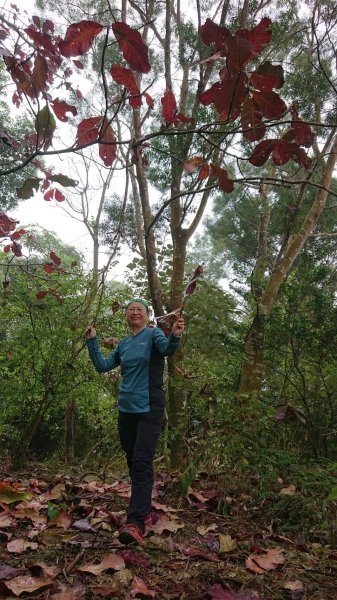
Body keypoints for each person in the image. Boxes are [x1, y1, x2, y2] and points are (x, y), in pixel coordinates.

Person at [85, 298, 184, 545]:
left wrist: (174, 335)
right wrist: (92, 340)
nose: (135, 312)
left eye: (139, 309)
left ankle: (136, 522)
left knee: (141, 461)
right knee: (134, 461)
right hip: (126, 410)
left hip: (150, 407)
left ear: (148, 315)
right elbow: (102, 366)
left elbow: (168, 350)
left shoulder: (153, 335)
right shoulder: (124, 344)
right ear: (126, 316)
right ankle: (143, 506)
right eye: (131, 310)